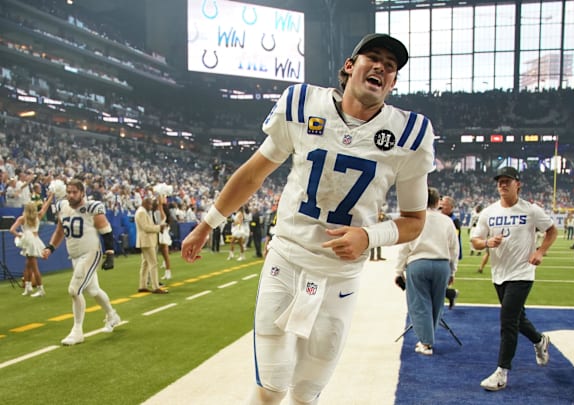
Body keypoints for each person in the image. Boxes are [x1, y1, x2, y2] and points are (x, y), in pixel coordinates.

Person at [181, 33, 434, 405]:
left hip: (340, 277)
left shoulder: (410, 134)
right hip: (288, 259)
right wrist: (206, 225)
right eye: (372, 57)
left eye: (391, 66)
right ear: (350, 66)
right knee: (271, 387)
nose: (381, 66)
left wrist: (368, 236)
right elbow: (253, 174)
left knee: (305, 394)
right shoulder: (302, 104)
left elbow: (414, 219)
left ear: (393, 83)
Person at [470, 166, 557, 392]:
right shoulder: (488, 212)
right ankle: (540, 340)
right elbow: (475, 240)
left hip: (522, 272)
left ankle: (501, 372)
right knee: (517, 318)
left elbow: (551, 230)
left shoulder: (531, 210)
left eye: (507, 180)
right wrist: (487, 243)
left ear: (518, 184)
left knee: (507, 320)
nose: (502, 184)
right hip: (499, 274)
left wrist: (540, 252)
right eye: (499, 181)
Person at [41, 179, 121, 345]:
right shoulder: (63, 207)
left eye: (74, 192)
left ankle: (77, 331)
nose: (71, 195)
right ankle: (112, 315)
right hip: (76, 256)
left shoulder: (92, 207)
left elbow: (106, 230)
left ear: (82, 193)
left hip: (91, 253)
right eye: (68, 192)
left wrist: (110, 254)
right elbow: (59, 231)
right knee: (93, 290)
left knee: (74, 290)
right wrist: (50, 247)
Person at [395, 187, 458, 356]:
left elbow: (404, 247)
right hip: (442, 264)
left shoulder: (415, 220)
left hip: (418, 263)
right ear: (438, 203)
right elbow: (454, 248)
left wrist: (398, 271)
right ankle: (427, 338)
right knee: (437, 303)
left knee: (419, 303)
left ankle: (426, 341)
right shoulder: (447, 221)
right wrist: (453, 271)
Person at [9, 192, 54, 296]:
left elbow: (12, 230)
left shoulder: (22, 218)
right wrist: (51, 196)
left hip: (28, 241)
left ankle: (41, 289)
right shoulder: (38, 216)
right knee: (28, 265)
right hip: (35, 240)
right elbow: (46, 206)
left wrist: (19, 235)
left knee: (34, 266)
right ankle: (28, 286)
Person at [136, 197, 168, 294]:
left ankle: (142, 285)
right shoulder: (141, 212)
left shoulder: (142, 212)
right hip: (147, 241)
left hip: (146, 241)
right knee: (153, 263)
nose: (151, 207)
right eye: (150, 204)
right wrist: (159, 228)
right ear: (145, 203)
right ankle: (155, 287)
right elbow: (146, 227)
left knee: (145, 264)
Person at [439, 195, 461, 309]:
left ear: (451, 207)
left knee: (440, 282)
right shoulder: (439, 217)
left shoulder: (454, 221)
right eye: (441, 204)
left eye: (445, 205)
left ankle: (450, 294)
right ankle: (450, 294)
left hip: (447, 255)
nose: (442, 206)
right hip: (438, 254)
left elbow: (454, 241)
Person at [155, 197, 174, 280]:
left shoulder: (163, 213)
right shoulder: (156, 211)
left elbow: (163, 218)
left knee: (165, 254)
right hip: (158, 232)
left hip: (163, 234)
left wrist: (160, 204)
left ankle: (168, 272)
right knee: (161, 254)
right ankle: (166, 272)